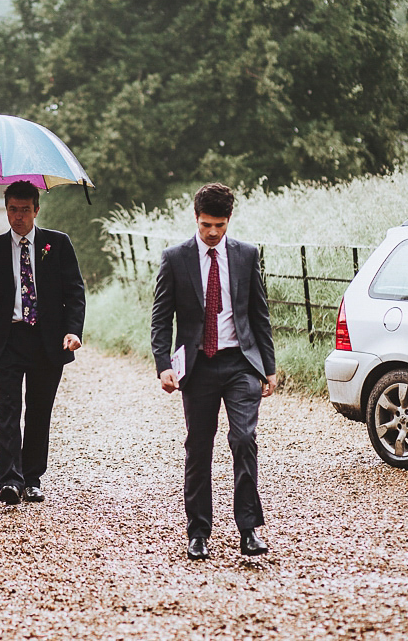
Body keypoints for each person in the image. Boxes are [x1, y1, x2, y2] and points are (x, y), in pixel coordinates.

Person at [150, 183, 277, 560]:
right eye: (206, 224)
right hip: (198, 367)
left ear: (229, 220)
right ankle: (198, 532)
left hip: (240, 363)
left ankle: (249, 529)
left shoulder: (246, 255)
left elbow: (259, 314)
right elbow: (161, 319)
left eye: (220, 225)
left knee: (243, 440)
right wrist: (164, 366)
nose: (213, 233)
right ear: (196, 218)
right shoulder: (176, 258)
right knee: (198, 447)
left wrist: (268, 368)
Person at [0, 180, 85, 504]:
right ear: (5, 209)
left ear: (36, 209)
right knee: (8, 410)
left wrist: (74, 330)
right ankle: (9, 480)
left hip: (48, 341)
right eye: (12, 210)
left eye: (24, 210)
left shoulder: (57, 244)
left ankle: (32, 478)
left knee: (38, 411)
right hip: (8, 338)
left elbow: (75, 292)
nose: (18, 217)